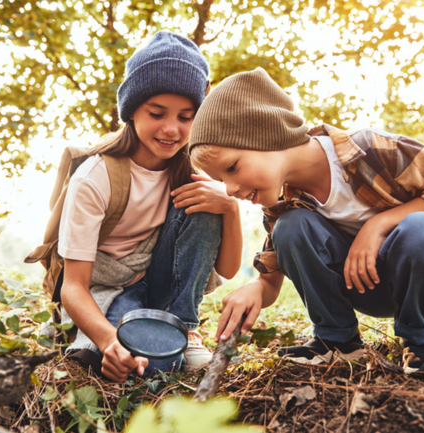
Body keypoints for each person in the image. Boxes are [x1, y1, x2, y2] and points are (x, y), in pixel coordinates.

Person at [187, 67, 424, 378]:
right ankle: (337, 340)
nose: (229, 189)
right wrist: (256, 289)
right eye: (219, 179)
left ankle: (423, 344)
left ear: (268, 135)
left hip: (422, 276)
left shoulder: (373, 150)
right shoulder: (280, 204)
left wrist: (377, 225)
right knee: (291, 225)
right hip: (362, 288)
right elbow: (272, 278)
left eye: (231, 168)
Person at [57, 31, 242, 382]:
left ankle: (184, 327)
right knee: (144, 367)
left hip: (159, 281)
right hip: (108, 289)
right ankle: (111, 334)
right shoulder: (95, 178)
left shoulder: (192, 172)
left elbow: (229, 269)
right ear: (132, 110)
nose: (171, 129)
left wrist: (229, 207)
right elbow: (73, 286)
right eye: (157, 113)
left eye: (186, 117)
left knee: (205, 202)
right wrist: (109, 341)